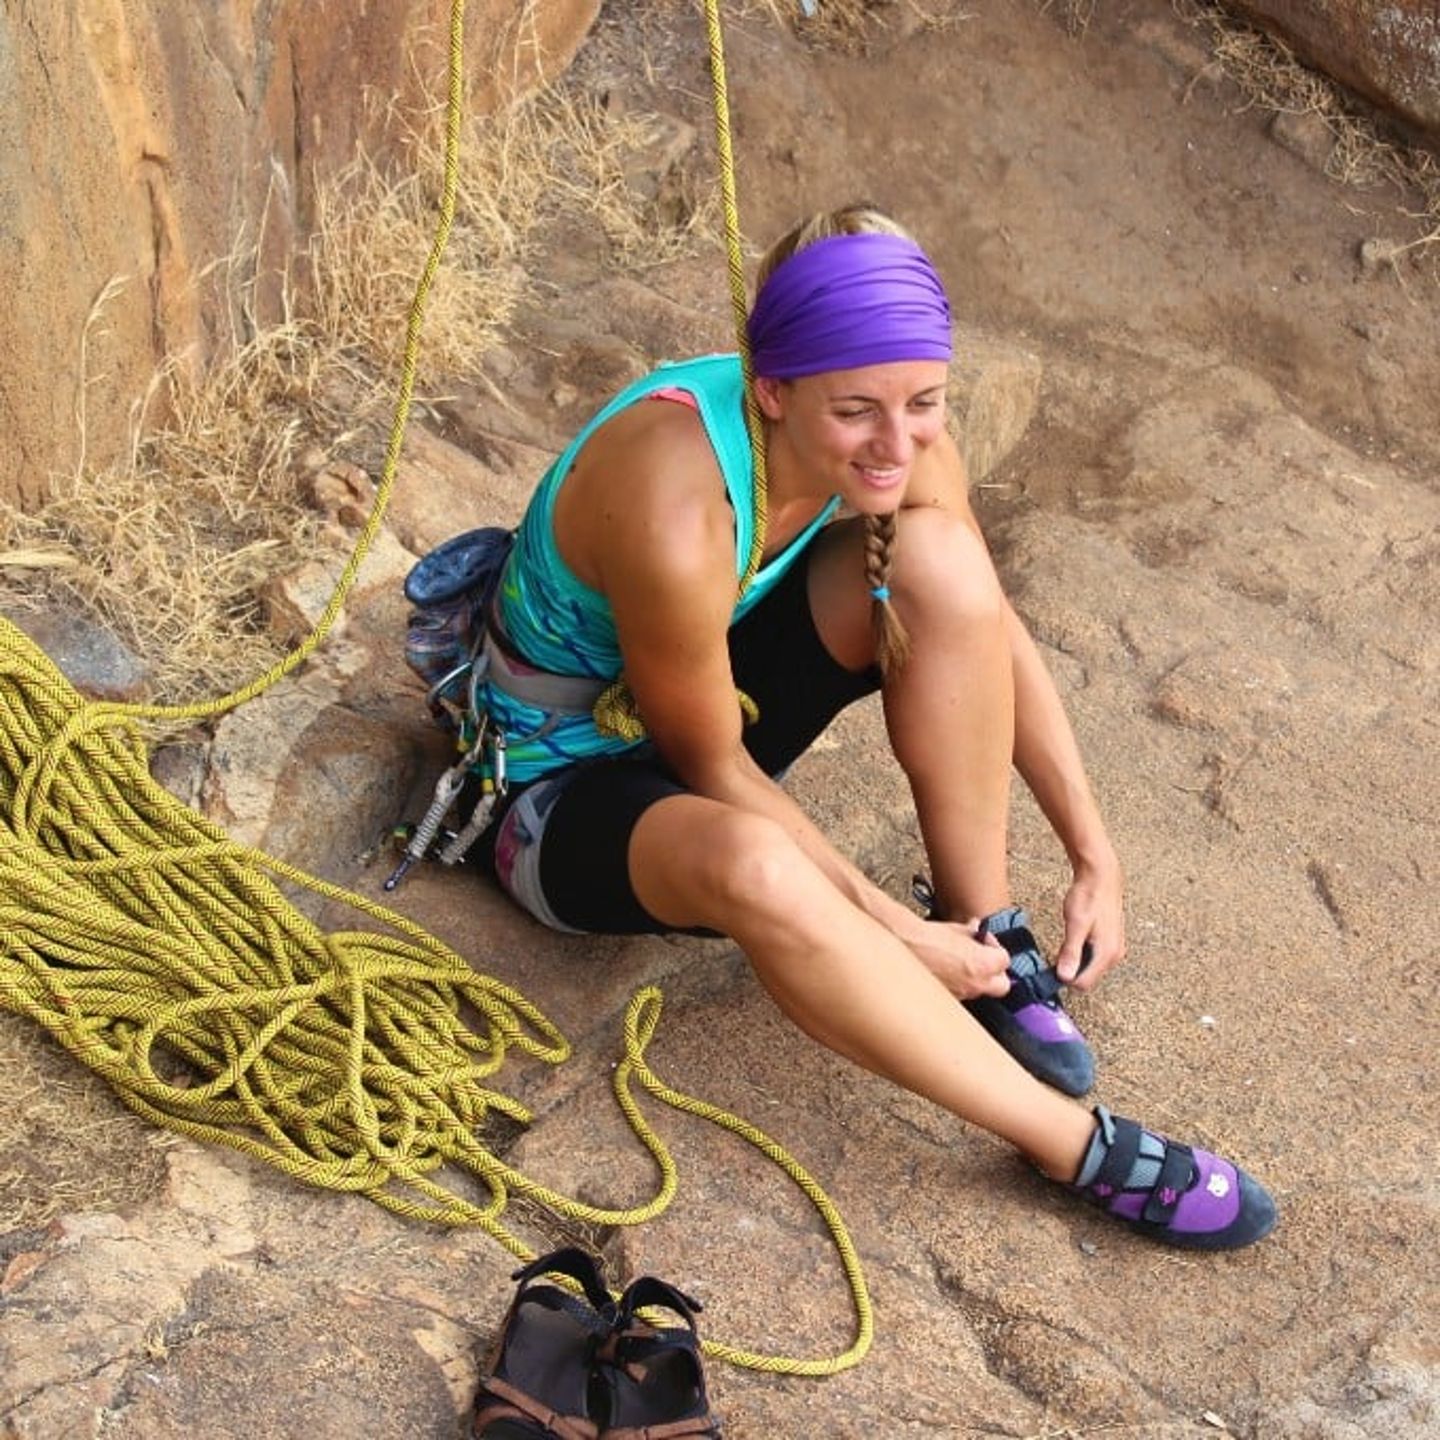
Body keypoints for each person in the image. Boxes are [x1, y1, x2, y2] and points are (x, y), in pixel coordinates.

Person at [453, 204, 1275, 1250]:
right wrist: (892, 930)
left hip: (701, 694)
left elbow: (982, 618)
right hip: (553, 792)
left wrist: (1092, 851)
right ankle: (1073, 1146)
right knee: (756, 865)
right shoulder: (676, 500)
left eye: (924, 402)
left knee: (935, 561)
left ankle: (989, 947)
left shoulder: (889, 415)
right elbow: (711, 765)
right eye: (858, 414)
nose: (896, 442)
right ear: (773, 390)